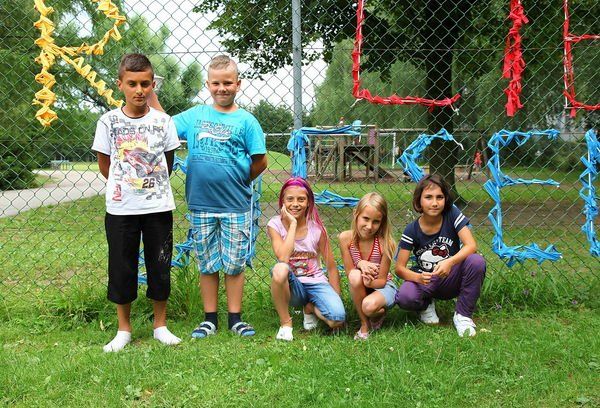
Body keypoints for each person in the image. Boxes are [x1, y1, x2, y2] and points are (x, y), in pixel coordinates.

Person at [154, 55, 267, 338]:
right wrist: (152, 93)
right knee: (207, 263)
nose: (222, 88)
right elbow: (164, 124)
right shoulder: (196, 115)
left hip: (235, 205)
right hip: (201, 204)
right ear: (208, 84)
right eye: (216, 83)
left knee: (234, 264)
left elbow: (260, 161)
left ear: (238, 84)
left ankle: (235, 319)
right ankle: (209, 319)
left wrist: (240, 179)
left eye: (228, 83)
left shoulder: (247, 121)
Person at [92, 53, 181, 352]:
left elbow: (168, 163)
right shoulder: (108, 122)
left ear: (153, 84)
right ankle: (124, 330)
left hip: (158, 207)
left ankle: (160, 326)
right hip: (121, 209)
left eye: (145, 84)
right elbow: (105, 164)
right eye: (132, 84)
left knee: (160, 264)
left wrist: (148, 186)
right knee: (122, 266)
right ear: (120, 84)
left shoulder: (164, 122)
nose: (139, 90)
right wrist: (126, 185)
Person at [394, 174, 486, 337]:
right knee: (405, 297)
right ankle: (425, 305)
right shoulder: (411, 230)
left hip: (451, 276)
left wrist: (450, 262)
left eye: (440, 197)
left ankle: (463, 315)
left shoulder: (452, 214)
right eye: (428, 197)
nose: (435, 203)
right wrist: (418, 278)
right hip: (426, 279)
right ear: (419, 201)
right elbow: (399, 269)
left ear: (446, 199)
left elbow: (471, 245)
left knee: (476, 261)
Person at [267, 178, 345, 341]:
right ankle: (286, 324)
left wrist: (336, 298)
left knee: (337, 320)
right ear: (283, 202)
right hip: (292, 286)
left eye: (301, 199)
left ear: (309, 202)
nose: (295, 204)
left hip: (316, 282)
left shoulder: (317, 229)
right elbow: (283, 257)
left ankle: (310, 307)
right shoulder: (275, 225)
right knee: (280, 269)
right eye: (290, 199)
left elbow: (331, 267)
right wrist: (293, 225)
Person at [339, 192, 397, 340]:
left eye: (376, 221)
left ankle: (379, 312)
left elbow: (382, 281)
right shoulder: (345, 238)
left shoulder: (386, 243)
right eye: (365, 218)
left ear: (382, 222)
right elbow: (350, 272)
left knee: (368, 306)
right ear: (356, 214)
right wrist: (360, 263)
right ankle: (365, 324)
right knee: (355, 275)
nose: (370, 226)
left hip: (383, 286)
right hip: (361, 284)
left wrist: (370, 283)